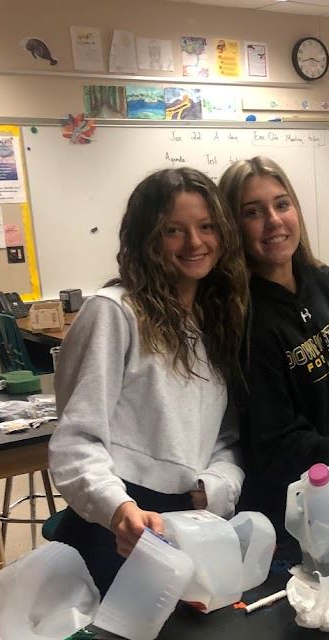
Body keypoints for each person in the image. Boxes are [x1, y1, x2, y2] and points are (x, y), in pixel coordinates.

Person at [49, 167, 248, 593]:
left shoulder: (214, 318)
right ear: (146, 238)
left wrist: (214, 487)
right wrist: (118, 508)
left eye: (207, 227)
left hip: (190, 520)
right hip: (121, 525)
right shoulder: (114, 313)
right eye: (174, 230)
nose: (195, 243)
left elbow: (225, 435)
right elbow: (77, 440)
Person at [219, 157, 329, 568]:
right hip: (294, 510)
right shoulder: (244, 316)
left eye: (282, 204)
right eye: (253, 212)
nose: (273, 221)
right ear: (233, 227)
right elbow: (273, 438)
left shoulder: (324, 281)